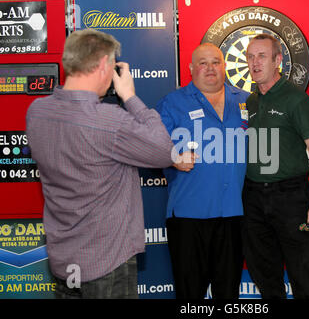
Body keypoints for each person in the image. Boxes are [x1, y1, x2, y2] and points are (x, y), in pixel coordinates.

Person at [26, 29, 178, 299]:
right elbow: (165, 152)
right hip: (105, 264)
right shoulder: (109, 120)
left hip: (65, 261)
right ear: (102, 66)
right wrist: (130, 97)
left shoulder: (37, 110)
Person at [156, 43, 250, 299]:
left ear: (225, 66)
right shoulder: (172, 103)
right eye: (203, 63)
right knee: (190, 295)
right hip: (188, 216)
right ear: (191, 68)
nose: (210, 68)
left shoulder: (245, 100)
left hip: (233, 215)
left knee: (228, 294)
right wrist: (171, 156)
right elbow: (147, 145)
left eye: (216, 62)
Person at [243, 33, 309, 299]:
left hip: (291, 198)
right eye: (250, 56)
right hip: (254, 198)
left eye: (262, 56)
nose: (255, 63)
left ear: (278, 60)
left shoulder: (296, 100)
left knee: (304, 272)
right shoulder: (251, 101)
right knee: (264, 274)